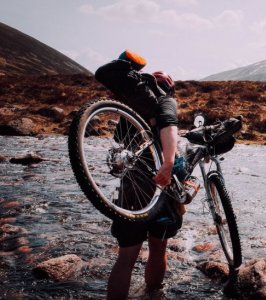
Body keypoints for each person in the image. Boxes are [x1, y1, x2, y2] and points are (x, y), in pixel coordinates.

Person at [96, 50, 183, 299]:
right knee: (158, 249)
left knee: (126, 257)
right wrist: (167, 163)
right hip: (159, 184)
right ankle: (153, 294)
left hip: (131, 184)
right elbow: (168, 125)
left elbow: (120, 142)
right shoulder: (164, 100)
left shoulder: (129, 110)